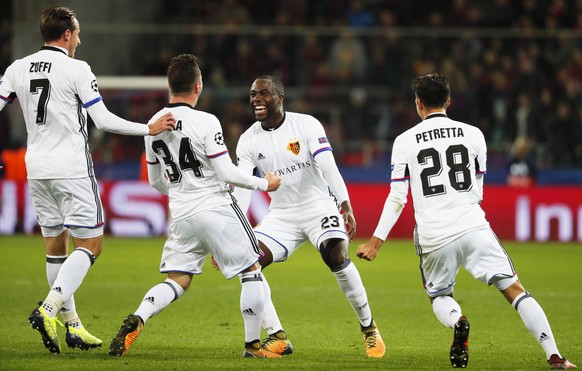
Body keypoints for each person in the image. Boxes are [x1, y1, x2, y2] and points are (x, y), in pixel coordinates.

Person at [356, 73, 576, 369]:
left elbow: (398, 197)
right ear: (449, 101)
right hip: (473, 225)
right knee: (514, 289)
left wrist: (376, 240)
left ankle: (458, 320)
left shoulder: (404, 141)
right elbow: (478, 188)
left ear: (418, 104)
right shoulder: (474, 134)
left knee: (439, 296)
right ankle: (555, 357)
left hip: (434, 234)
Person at [0, 6, 175, 354]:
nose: (79, 39)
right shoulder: (77, 69)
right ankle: (49, 309)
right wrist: (148, 128)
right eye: (77, 33)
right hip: (72, 168)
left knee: (55, 247)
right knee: (91, 245)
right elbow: (103, 120)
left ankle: (74, 325)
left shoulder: (17, 68)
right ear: (66, 34)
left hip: (36, 167)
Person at [107, 54, 282, 359]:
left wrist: (179, 190)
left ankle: (138, 317)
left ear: (169, 85)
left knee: (177, 280)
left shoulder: (154, 125)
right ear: (198, 86)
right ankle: (254, 346)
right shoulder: (206, 121)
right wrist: (263, 184)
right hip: (215, 206)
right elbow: (227, 172)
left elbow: (154, 181)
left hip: (182, 213)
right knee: (252, 269)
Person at [232, 75, 385, 358]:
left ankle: (369, 328)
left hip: (318, 207)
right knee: (247, 261)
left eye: (263, 93)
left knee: (336, 256)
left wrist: (344, 202)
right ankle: (277, 336)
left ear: (279, 96)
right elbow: (243, 187)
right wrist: (235, 231)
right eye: (252, 94)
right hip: (281, 215)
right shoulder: (248, 140)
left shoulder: (306, 124)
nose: (256, 99)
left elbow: (328, 166)